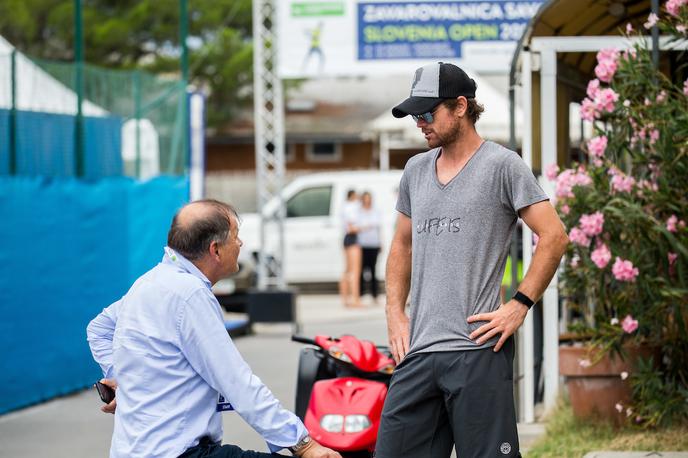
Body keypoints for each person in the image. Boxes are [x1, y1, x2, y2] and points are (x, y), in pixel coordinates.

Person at [375, 62, 569, 458]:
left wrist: (519, 306)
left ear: (460, 107)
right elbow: (402, 245)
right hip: (419, 351)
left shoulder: (503, 166)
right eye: (415, 115)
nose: (419, 123)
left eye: (427, 113)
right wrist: (395, 311)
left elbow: (554, 236)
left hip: (477, 351)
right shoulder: (415, 170)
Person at [87, 199, 340, 458]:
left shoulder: (149, 283)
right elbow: (236, 382)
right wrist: (303, 444)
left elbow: (98, 329)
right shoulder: (190, 294)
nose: (241, 244)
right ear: (215, 249)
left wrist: (119, 380)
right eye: (236, 236)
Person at [357, 191, 382, 304]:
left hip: (373, 244)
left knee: (373, 269)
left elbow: (378, 228)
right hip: (362, 244)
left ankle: (374, 294)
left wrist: (380, 242)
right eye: (365, 198)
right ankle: (360, 294)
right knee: (361, 270)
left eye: (369, 198)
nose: (367, 200)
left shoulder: (375, 211)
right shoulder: (359, 212)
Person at [338, 190, 362, 308]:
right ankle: (355, 299)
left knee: (347, 270)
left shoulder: (344, 207)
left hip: (347, 238)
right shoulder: (351, 207)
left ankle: (345, 299)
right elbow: (351, 227)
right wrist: (364, 227)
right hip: (352, 238)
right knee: (355, 271)